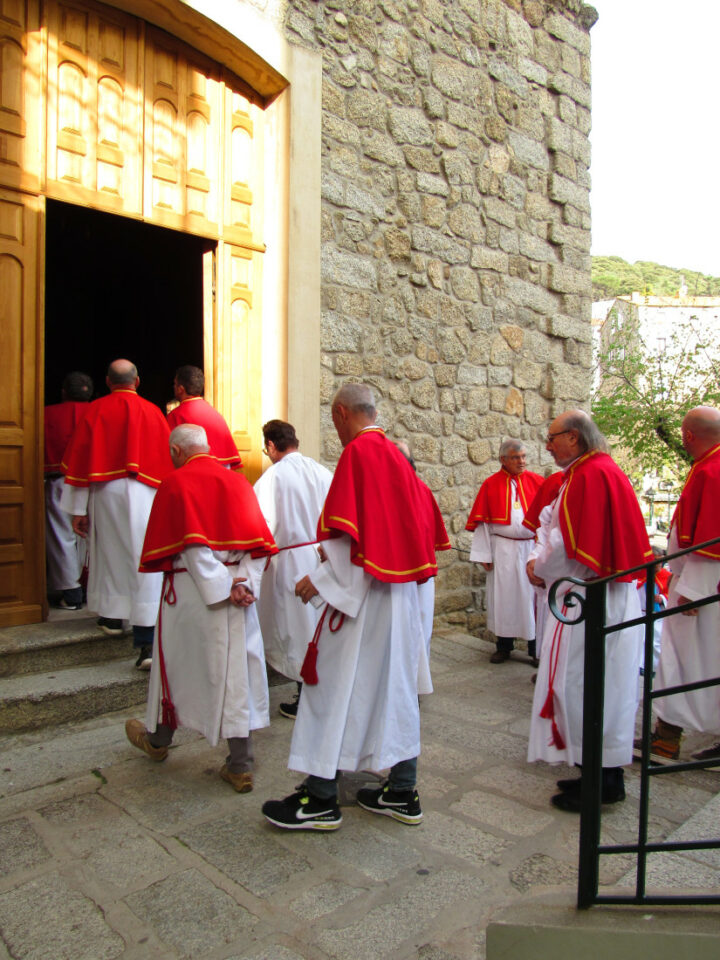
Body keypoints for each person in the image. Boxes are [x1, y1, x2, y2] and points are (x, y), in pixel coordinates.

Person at [261, 383, 450, 831]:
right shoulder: (396, 458)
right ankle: (402, 791)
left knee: (331, 689)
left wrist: (319, 582)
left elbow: (350, 538)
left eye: (333, 420)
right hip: (399, 600)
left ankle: (321, 798)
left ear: (342, 413)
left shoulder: (360, 454)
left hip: (363, 600)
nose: (335, 429)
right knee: (395, 692)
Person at [125, 424, 277, 791]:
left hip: (193, 595)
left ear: (177, 451)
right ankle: (240, 764)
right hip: (237, 593)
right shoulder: (239, 482)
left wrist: (224, 588)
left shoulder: (176, 483)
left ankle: (159, 742)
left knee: (177, 668)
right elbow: (258, 545)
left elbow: (193, 547)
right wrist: (243, 584)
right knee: (236, 673)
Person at [526, 410, 652, 812]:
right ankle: (598, 772)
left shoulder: (588, 475)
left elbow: (565, 545)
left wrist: (538, 569)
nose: (547, 446)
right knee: (602, 686)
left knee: (583, 685)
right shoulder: (599, 470)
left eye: (552, 437)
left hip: (590, 599)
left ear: (574, 438)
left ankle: (601, 781)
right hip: (603, 596)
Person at [60, 359, 173, 668]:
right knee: (144, 559)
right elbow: (168, 458)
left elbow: (80, 459)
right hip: (148, 491)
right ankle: (146, 643)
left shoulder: (94, 410)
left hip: (105, 492)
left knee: (110, 556)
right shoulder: (153, 412)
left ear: (108, 382)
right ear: (137, 382)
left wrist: (76, 509)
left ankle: (113, 619)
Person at [637, 406, 720, 764]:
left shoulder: (711, 472)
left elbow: (709, 543)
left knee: (681, 660)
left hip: (701, 588)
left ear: (687, 436)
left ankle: (667, 740)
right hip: (704, 584)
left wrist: (690, 592)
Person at [253, 419, 333, 718]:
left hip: (289, 562)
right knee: (316, 627)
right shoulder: (322, 471)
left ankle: (306, 698)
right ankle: (318, 691)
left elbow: (261, 526)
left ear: (272, 446)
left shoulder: (272, 478)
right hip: (323, 557)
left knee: (296, 630)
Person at [466, 441, 543, 665]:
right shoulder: (490, 485)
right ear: (503, 459)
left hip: (531, 549)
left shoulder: (537, 482)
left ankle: (535, 649)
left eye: (524, 456)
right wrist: (484, 555)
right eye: (516, 457)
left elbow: (547, 521)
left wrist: (543, 551)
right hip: (503, 550)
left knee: (532, 599)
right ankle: (503, 646)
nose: (522, 461)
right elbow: (483, 524)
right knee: (504, 598)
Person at [44, 371, 93, 610]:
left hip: (60, 481)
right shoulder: (99, 412)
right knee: (93, 536)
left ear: (63, 392)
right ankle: (91, 588)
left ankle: (71, 592)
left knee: (61, 535)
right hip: (96, 482)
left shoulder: (46, 414)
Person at [167, 365, 242, 469]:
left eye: (175, 384)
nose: (173, 387)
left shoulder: (176, 415)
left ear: (181, 389)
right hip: (221, 472)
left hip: (197, 472)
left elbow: (170, 452)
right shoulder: (214, 413)